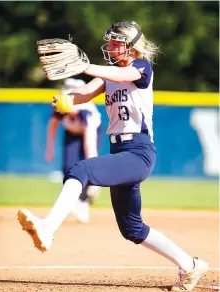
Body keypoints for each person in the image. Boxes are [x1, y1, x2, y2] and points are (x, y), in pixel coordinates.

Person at [18, 21, 208, 291]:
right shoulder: (111, 74)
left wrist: (83, 66)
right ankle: (191, 265)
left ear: (131, 47)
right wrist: (69, 99)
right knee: (132, 229)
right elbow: (87, 91)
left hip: (138, 153)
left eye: (117, 42)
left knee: (80, 170)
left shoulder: (141, 67)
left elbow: (121, 76)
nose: (110, 46)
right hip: (119, 152)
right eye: (110, 42)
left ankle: (47, 228)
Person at [45, 78, 103, 223]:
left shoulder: (86, 114)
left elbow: (89, 144)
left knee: (86, 166)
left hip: (90, 134)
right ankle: (74, 202)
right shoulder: (61, 109)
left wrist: (93, 165)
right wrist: (49, 148)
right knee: (68, 169)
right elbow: (52, 126)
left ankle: (84, 202)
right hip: (71, 135)